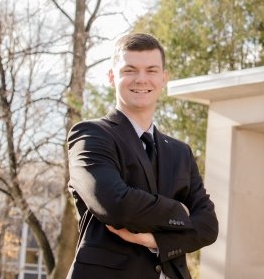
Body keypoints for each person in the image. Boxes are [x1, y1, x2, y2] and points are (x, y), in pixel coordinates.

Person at [66, 33, 218, 279]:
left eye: (151, 70)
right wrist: (179, 211)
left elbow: (208, 226)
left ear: (164, 78)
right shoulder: (91, 136)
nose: (141, 79)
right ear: (112, 77)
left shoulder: (180, 152)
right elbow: (114, 204)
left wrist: (156, 240)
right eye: (130, 70)